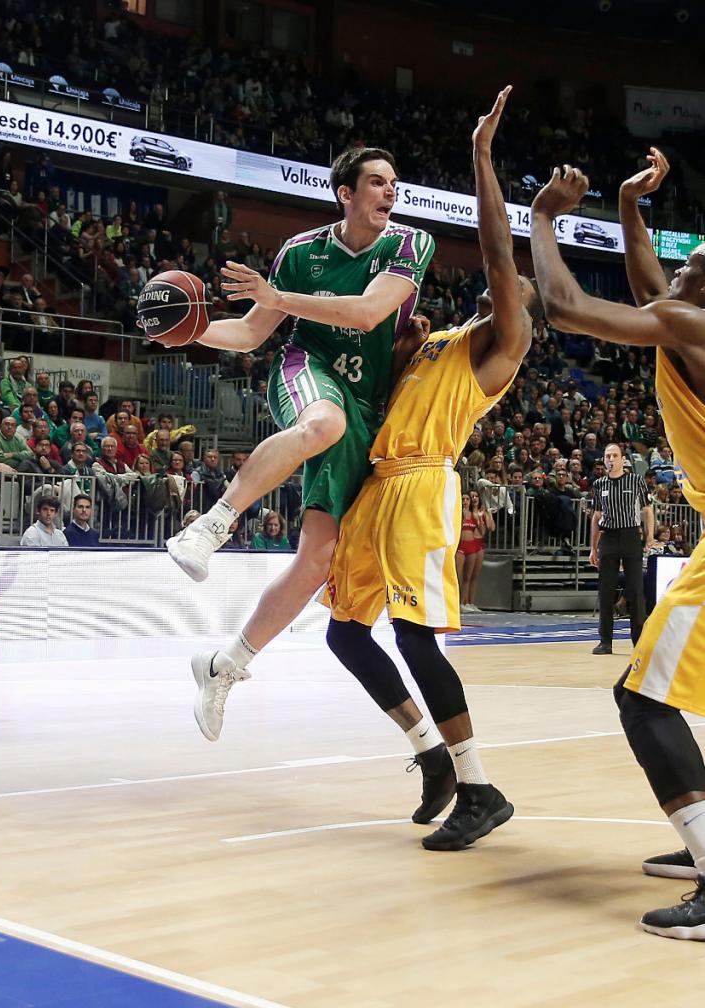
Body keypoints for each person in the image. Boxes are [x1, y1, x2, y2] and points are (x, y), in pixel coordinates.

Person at [321, 87, 535, 851]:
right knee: (344, 634)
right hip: (377, 485)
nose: (500, 288)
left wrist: (480, 155)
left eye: (512, 291)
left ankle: (479, 786)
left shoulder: (497, 346)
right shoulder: (439, 337)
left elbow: (496, 253)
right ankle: (432, 757)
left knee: (415, 639)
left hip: (421, 485)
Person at [165, 146, 434, 735]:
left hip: (371, 402)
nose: (390, 193)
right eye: (376, 183)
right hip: (308, 366)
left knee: (318, 559)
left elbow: (367, 315)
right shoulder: (299, 251)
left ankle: (225, 665)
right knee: (322, 425)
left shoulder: (409, 244)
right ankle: (211, 523)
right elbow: (252, 331)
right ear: (346, 193)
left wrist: (276, 298)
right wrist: (192, 331)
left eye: (394, 183)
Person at [531, 147, 705, 937]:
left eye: (692, 261)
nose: (678, 264)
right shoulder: (683, 319)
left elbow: (565, 307)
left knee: (640, 697)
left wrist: (540, 219)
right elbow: (649, 286)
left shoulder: (688, 321)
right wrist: (630, 209)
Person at [588, 442, 653, 654]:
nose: (611, 459)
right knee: (606, 590)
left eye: (615, 455)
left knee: (635, 589)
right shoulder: (599, 484)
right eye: (607, 456)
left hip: (630, 535)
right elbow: (597, 517)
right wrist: (593, 548)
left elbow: (647, 510)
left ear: (622, 459)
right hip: (609, 537)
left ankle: (639, 641)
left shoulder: (635, 481)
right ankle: (605, 641)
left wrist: (650, 536)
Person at [456, 491, 491, 612]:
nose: (465, 501)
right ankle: (458, 602)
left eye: (467, 499)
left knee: (469, 576)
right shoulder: (456, 514)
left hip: (472, 546)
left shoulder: (473, 515)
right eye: (463, 499)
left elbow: (482, 532)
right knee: (458, 576)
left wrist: (481, 519)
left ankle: (467, 602)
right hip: (460, 546)